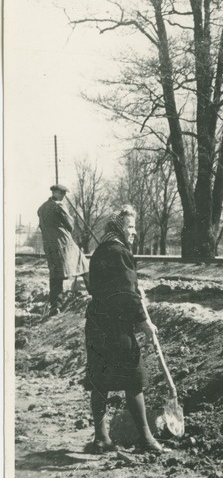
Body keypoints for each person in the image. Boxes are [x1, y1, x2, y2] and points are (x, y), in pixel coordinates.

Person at [84, 205, 165, 454]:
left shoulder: (100, 252)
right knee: (134, 379)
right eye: (130, 226)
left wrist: (132, 289)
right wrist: (146, 324)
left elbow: (98, 287)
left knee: (99, 380)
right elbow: (127, 298)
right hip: (116, 327)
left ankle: (101, 439)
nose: (135, 232)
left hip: (97, 324)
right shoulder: (120, 252)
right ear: (120, 227)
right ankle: (146, 439)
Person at [37, 184, 90, 317]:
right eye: (63, 194)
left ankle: (55, 307)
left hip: (49, 246)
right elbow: (70, 226)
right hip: (64, 244)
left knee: (55, 276)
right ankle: (95, 295)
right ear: (59, 193)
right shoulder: (59, 206)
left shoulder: (41, 208)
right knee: (84, 265)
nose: (64, 196)